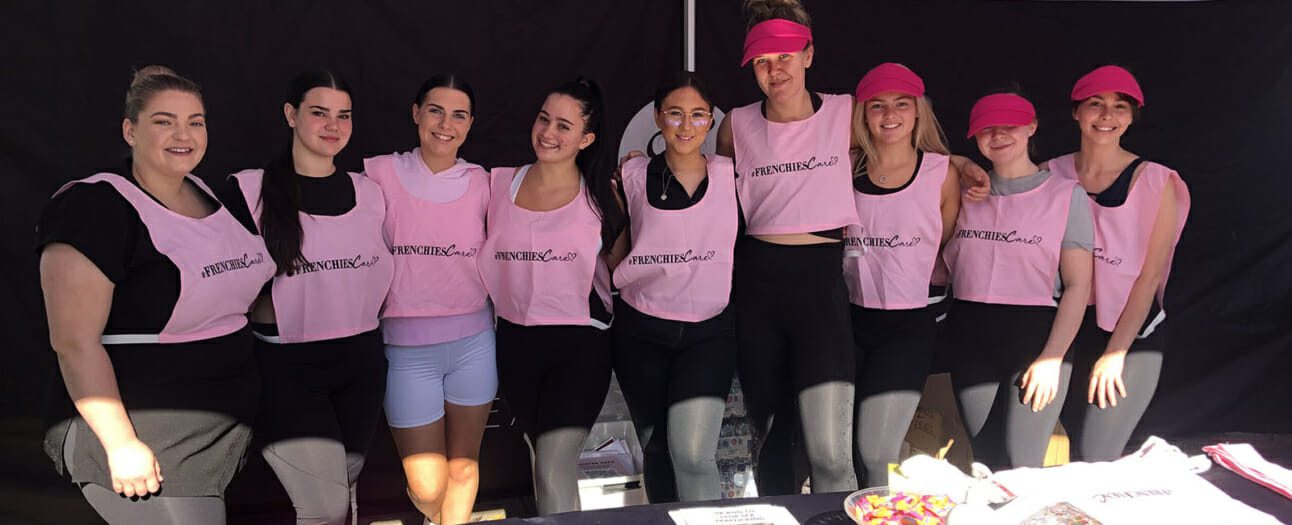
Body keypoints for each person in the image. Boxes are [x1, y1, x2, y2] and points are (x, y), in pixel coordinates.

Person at [37, 66, 275, 524]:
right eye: (164, 121)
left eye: (195, 121)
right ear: (130, 130)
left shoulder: (208, 193)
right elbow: (72, 342)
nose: (183, 134)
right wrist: (121, 444)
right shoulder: (93, 207)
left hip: (224, 425)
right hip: (148, 430)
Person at [224, 68, 394, 525]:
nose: (333, 126)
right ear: (290, 114)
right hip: (286, 369)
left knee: (346, 493)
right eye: (319, 113)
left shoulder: (371, 193)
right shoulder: (249, 190)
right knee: (324, 508)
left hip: (361, 363)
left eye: (344, 115)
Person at [477, 77, 623, 514]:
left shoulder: (602, 197)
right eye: (544, 119)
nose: (548, 132)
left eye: (564, 125)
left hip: (579, 347)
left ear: (587, 138)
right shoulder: (498, 184)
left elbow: (625, 268)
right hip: (515, 344)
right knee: (543, 461)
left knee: (554, 463)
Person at [363, 74, 494, 525]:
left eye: (459, 115)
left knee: (464, 467)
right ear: (416, 113)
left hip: (474, 343)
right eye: (435, 110)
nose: (446, 123)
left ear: (471, 124)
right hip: (405, 350)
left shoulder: (485, 183)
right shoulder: (377, 172)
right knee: (427, 485)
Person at [607, 72, 738, 502]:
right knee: (658, 450)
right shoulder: (632, 174)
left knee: (694, 454)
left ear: (710, 122)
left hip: (709, 332)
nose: (686, 126)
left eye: (698, 115)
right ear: (658, 118)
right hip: (641, 330)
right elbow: (620, 251)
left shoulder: (732, 176)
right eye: (675, 114)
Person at [944, 91, 1094, 468]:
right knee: (985, 461)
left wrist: (1053, 357)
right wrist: (960, 164)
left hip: (1035, 338)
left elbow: (1079, 285)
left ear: (1031, 127)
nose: (997, 136)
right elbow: (917, 160)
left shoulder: (1065, 195)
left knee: (1020, 464)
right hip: (970, 336)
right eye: (986, 130)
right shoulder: (961, 192)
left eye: (1008, 126)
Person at [1050, 66, 1190, 461]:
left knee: (1096, 456)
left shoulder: (1155, 181)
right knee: (1065, 448)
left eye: (1119, 106)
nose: (1107, 115)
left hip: (1130, 334)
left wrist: (1115, 354)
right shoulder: (1051, 173)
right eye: (1095, 104)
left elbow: (1148, 279)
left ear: (1131, 116)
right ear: (1077, 112)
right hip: (1066, 329)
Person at [843, 63, 962, 486]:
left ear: (918, 112)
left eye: (901, 104)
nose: (889, 114)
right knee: (840, 447)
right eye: (877, 105)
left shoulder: (942, 173)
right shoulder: (847, 167)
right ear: (863, 114)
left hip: (908, 323)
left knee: (876, 450)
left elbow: (941, 243)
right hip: (848, 320)